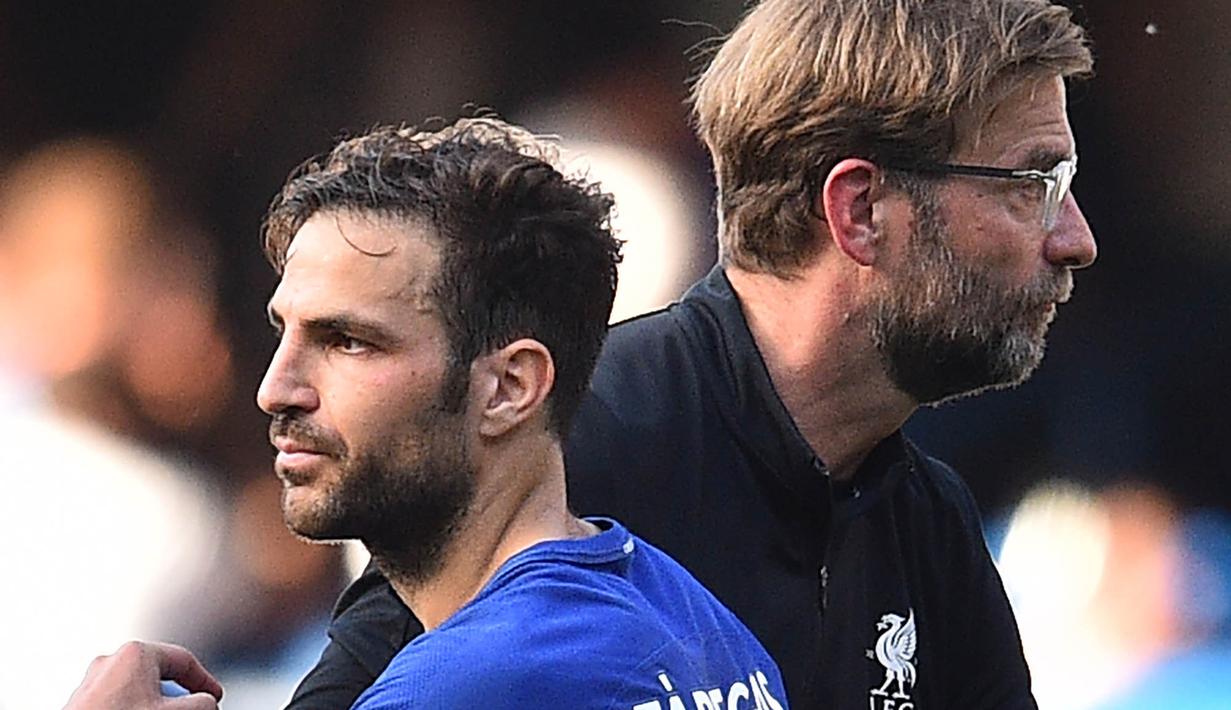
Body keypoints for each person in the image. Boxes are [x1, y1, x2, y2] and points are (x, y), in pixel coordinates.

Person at [288, 1, 1097, 709]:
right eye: (1030, 184)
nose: (1075, 240)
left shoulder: (923, 518)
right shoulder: (564, 451)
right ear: (859, 210)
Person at [65, 118, 788, 710]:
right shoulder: (698, 621)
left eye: (347, 342)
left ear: (509, 387)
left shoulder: (472, 683)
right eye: (282, 332)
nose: (276, 389)